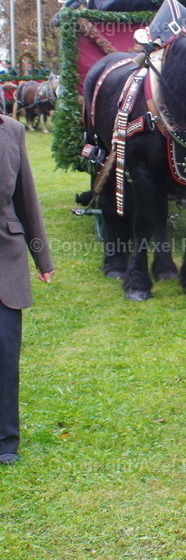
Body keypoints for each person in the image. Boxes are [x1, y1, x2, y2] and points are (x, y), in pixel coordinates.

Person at [0, 112, 55, 464]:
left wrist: (42, 257)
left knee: (6, 350)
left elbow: (26, 199)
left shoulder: (13, 130)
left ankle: (6, 440)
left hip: (6, 257)